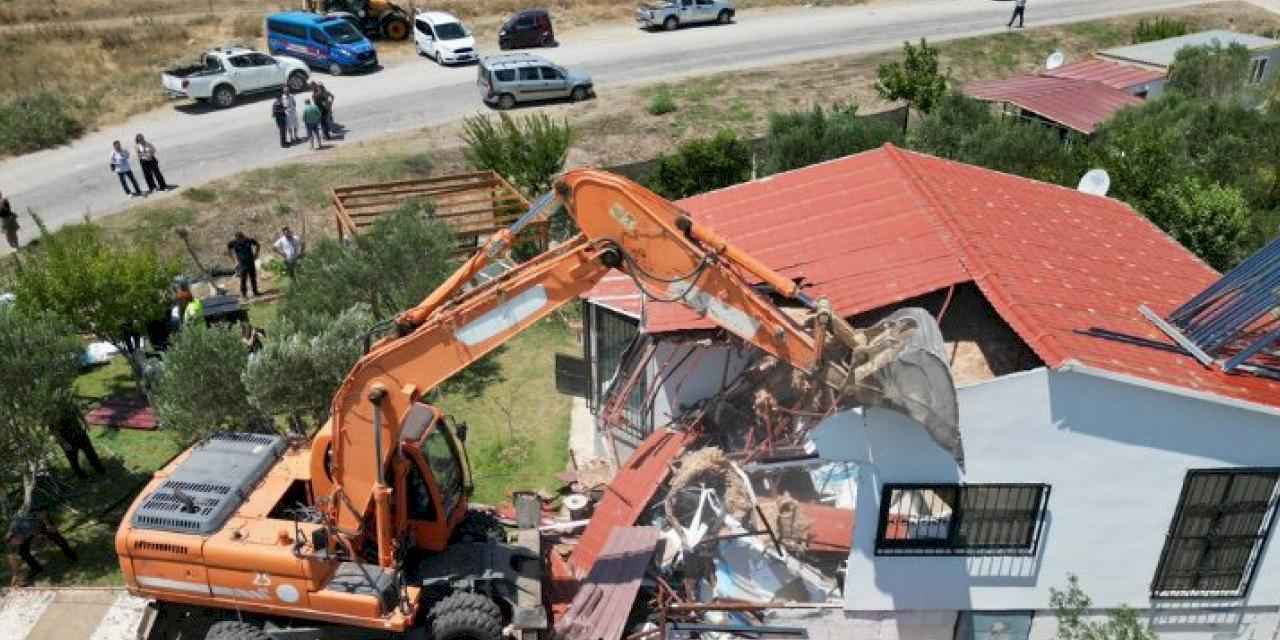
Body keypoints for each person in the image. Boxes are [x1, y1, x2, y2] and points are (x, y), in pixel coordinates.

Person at [7, 472, 78, 587]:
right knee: (23, 552)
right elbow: (12, 558)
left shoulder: (20, 521)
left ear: (16, 535)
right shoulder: (13, 541)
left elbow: (42, 513)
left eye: (17, 541)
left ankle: (70, 554)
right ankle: (36, 568)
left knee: (56, 537)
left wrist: (48, 525)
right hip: (32, 529)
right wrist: (15, 574)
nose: (19, 543)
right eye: (16, 543)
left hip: (40, 521)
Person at [53, 402, 105, 479]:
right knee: (73, 459)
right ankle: (80, 475)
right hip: (67, 438)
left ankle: (99, 468)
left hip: (79, 432)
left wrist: (85, 423)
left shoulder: (69, 402)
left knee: (91, 452)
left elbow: (77, 412)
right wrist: (64, 442)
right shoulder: (53, 411)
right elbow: (54, 430)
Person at [227, 231, 262, 298]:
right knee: (243, 279)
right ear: (237, 238)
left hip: (250, 262)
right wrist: (234, 260)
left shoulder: (248, 240)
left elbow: (258, 244)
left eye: (242, 238)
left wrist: (256, 254)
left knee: (253, 278)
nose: (241, 240)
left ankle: (255, 292)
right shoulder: (234, 243)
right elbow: (228, 249)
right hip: (242, 264)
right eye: (239, 239)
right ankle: (244, 294)